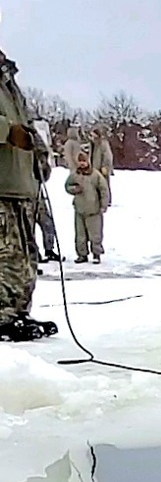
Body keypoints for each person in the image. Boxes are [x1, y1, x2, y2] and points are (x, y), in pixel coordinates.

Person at [0, 38, 58, 342]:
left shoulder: (8, 80)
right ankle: (1, 315)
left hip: (22, 184)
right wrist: (7, 132)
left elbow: (27, 127)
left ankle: (17, 312)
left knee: (24, 256)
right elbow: (12, 128)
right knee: (4, 255)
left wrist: (39, 156)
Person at [65, 149, 110, 263]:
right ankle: (82, 254)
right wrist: (74, 189)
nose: (82, 164)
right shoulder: (75, 175)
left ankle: (96, 254)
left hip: (94, 209)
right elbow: (67, 186)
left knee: (95, 234)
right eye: (80, 161)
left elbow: (104, 190)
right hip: (79, 209)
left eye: (84, 161)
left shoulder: (95, 175)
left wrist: (103, 205)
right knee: (80, 235)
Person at [30, 116, 59, 262]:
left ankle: (49, 249)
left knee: (46, 222)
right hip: (22, 191)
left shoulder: (34, 137)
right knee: (27, 227)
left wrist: (42, 168)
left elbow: (43, 156)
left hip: (36, 189)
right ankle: (33, 255)